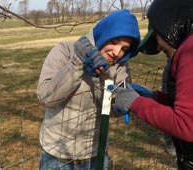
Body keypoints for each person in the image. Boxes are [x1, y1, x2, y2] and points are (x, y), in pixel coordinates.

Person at [36, 10, 140, 170]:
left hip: (95, 155)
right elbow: (46, 98)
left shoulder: (119, 67)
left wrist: (124, 99)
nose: (116, 52)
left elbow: (114, 110)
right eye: (114, 41)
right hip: (56, 155)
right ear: (104, 33)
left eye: (124, 49)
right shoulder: (65, 51)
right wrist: (77, 63)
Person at [113, 0, 193, 169]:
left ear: (170, 25)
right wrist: (155, 97)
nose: (157, 46)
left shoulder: (190, 50)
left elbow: (186, 124)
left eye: (156, 37)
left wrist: (136, 103)